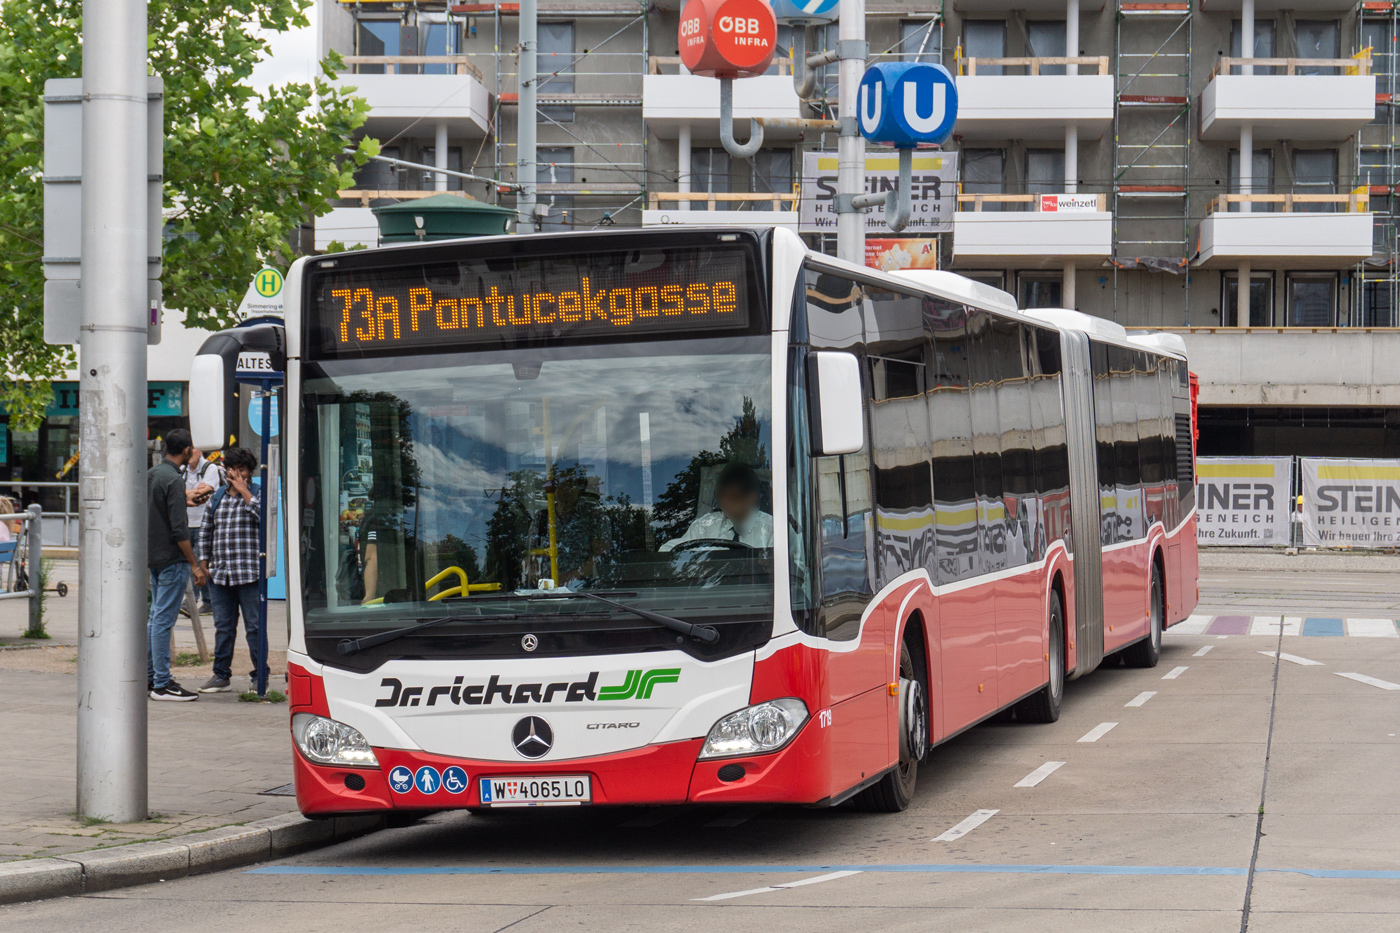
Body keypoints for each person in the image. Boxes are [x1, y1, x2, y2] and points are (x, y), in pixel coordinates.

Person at [196, 447, 265, 694]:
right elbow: (206, 531)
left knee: (255, 627)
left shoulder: (257, 493)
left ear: (249, 472)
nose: (236, 474)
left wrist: (245, 491)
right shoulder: (218, 497)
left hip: (249, 574)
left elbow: (264, 519)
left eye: (242, 470)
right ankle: (221, 674)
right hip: (220, 574)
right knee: (223, 627)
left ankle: (261, 676)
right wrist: (203, 564)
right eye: (233, 469)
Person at [147, 429, 207, 701]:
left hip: (153, 556)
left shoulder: (154, 475)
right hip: (172, 558)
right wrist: (194, 565)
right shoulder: (172, 479)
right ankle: (162, 683)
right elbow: (180, 530)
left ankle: (151, 677)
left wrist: (188, 497)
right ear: (186, 450)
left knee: (154, 618)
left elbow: (158, 506)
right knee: (163, 620)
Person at [661, 462, 774, 551]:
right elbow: (669, 551)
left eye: (733, 497)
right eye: (720, 496)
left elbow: (788, 568)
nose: (725, 504)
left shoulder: (773, 529)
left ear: (752, 497)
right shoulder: (704, 526)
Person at [183, 447, 223, 615]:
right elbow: (183, 492)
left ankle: (204, 601)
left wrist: (187, 493)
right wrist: (192, 492)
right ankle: (197, 601)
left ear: (199, 451)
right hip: (187, 521)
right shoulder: (182, 470)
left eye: (191, 452)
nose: (188, 456)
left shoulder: (210, 468)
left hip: (203, 522)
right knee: (190, 561)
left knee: (201, 560)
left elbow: (205, 492)